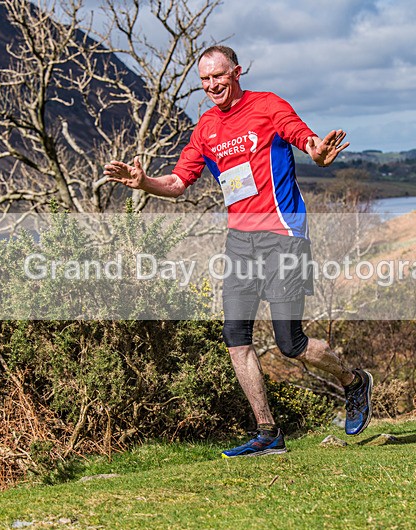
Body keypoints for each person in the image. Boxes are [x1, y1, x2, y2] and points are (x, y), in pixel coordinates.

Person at [104, 45, 372, 458]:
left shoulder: (267, 106)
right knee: (235, 338)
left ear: (237, 72)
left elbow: (305, 139)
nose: (212, 85)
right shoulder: (206, 127)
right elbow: (178, 182)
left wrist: (318, 152)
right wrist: (144, 183)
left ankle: (354, 382)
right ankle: (268, 433)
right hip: (240, 242)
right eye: (205, 80)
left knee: (290, 343)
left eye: (219, 76)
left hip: (283, 234)